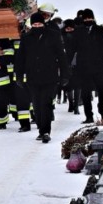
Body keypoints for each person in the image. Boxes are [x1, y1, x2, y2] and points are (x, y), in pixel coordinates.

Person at [18, 10, 68, 143]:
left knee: (46, 103)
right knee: (36, 105)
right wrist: (18, 76)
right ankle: (41, 127)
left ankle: (45, 131)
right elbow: (20, 58)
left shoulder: (53, 35)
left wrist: (64, 75)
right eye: (35, 25)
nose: (37, 27)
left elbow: (61, 56)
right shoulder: (26, 38)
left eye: (40, 24)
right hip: (33, 77)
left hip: (49, 76)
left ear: (44, 24)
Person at [72, 9, 103, 125]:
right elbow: (73, 48)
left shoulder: (99, 30)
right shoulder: (78, 31)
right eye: (86, 19)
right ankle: (88, 115)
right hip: (83, 66)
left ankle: (102, 110)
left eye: (90, 18)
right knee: (85, 92)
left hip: (98, 65)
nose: (88, 20)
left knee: (101, 89)